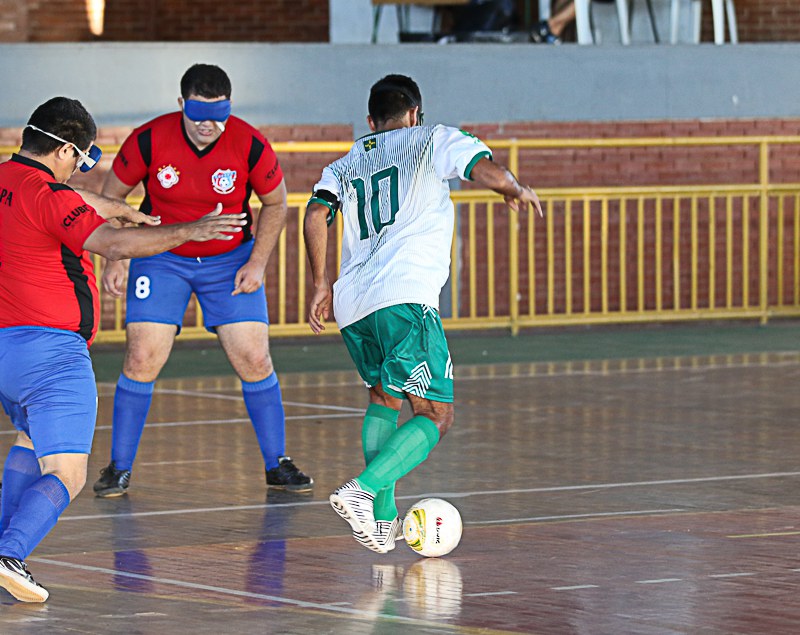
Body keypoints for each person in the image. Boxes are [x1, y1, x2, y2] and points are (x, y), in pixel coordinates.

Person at [0, 96, 246, 602]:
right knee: (66, 473)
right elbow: (112, 244)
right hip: (52, 354)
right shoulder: (53, 197)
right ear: (67, 150)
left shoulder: (10, 181)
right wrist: (188, 232)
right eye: (82, 160)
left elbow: (72, 203)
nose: (78, 171)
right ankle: (11, 553)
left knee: (29, 438)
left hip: (6, 352)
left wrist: (121, 208)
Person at [303, 74, 542, 553]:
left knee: (384, 400)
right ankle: (364, 490)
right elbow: (480, 166)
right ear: (415, 112)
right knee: (436, 412)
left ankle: (381, 519)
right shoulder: (431, 138)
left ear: (371, 121)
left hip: (354, 303)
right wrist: (511, 188)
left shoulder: (344, 164)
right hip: (405, 296)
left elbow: (314, 214)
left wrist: (319, 283)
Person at [92, 63, 313, 498]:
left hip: (229, 261)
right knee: (141, 358)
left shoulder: (249, 143)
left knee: (255, 357)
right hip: (160, 257)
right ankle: (118, 467)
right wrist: (115, 256)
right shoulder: (151, 138)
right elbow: (110, 198)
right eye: (198, 113)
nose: (209, 125)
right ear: (180, 105)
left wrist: (258, 262)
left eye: (219, 113)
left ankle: (277, 464)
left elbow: (276, 203)